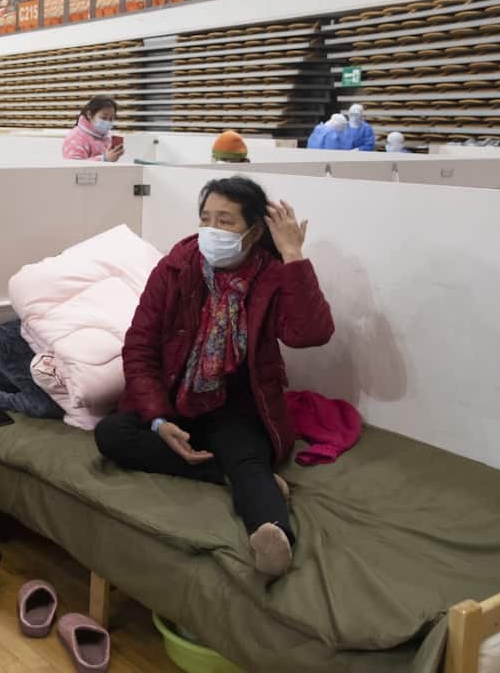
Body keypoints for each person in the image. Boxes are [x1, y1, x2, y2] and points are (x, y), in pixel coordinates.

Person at [94, 176, 334, 578]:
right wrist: (159, 418)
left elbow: (310, 333)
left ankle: (273, 536)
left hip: (238, 405)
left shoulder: (272, 274)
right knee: (112, 433)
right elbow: (139, 346)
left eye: (226, 221)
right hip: (177, 399)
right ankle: (229, 474)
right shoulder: (175, 266)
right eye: (206, 218)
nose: (211, 230)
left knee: (245, 453)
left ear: (254, 230)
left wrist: (293, 253)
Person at [62, 96, 124, 162]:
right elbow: (74, 167)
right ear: (89, 115)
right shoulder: (76, 137)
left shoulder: (107, 136)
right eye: (103, 117)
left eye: (111, 119)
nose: (107, 122)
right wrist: (104, 159)